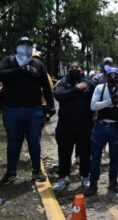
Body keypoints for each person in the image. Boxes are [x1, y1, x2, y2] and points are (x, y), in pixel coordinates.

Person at [0, 37, 55, 185]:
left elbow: (47, 86)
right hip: (12, 110)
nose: (26, 48)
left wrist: (50, 105)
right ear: (17, 46)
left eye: (29, 45)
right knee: (13, 142)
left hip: (34, 111)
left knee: (34, 142)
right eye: (23, 45)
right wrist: (21, 70)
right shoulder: (8, 61)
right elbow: (1, 74)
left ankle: (37, 170)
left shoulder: (38, 64)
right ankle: (11, 172)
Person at [85, 67, 118, 196]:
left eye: (116, 74)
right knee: (96, 157)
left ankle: (113, 182)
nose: (113, 77)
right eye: (110, 74)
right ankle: (93, 184)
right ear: (106, 76)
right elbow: (93, 106)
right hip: (100, 127)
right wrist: (110, 101)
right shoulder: (100, 88)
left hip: (115, 128)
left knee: (114, 157)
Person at [52, 62, 94, 191]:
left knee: (85, 153)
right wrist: (76, 89)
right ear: (67, 70)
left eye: (77, 67)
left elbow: (95, 99)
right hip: (65, 125)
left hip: (85, 125)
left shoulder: (89, 83)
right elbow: (59, 95)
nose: (75, 69)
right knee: (64, 153)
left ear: (82, 70)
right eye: (71, 68)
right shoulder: (62, 83)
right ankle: (63, 177)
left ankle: (85, 176)